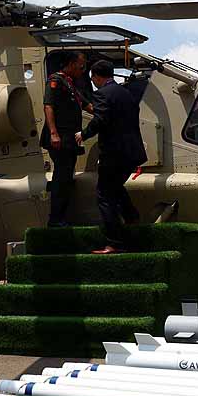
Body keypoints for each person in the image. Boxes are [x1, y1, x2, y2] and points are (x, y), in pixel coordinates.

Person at [75, 59, 147, 253]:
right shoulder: (126, 93)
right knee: (114, 187)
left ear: (97, 77)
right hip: (133, 152)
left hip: (114, 154)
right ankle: (131, 217)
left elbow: (100, 119)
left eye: (93, 78)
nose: (93, 82)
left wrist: (83, 134)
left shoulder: (102, 94)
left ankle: (113, 242)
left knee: (104, 195)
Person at [40, 51, 91, 227]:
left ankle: (61, 217)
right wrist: (54, 133)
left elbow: (86, 104)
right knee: (61, 177)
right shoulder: (56, 80)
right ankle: (55, 219)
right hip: (59, 138)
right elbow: (49, 106)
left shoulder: (71, 84)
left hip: (69, 139)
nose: (83, 70)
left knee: (67, 176)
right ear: (70, 63)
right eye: (81, 66)